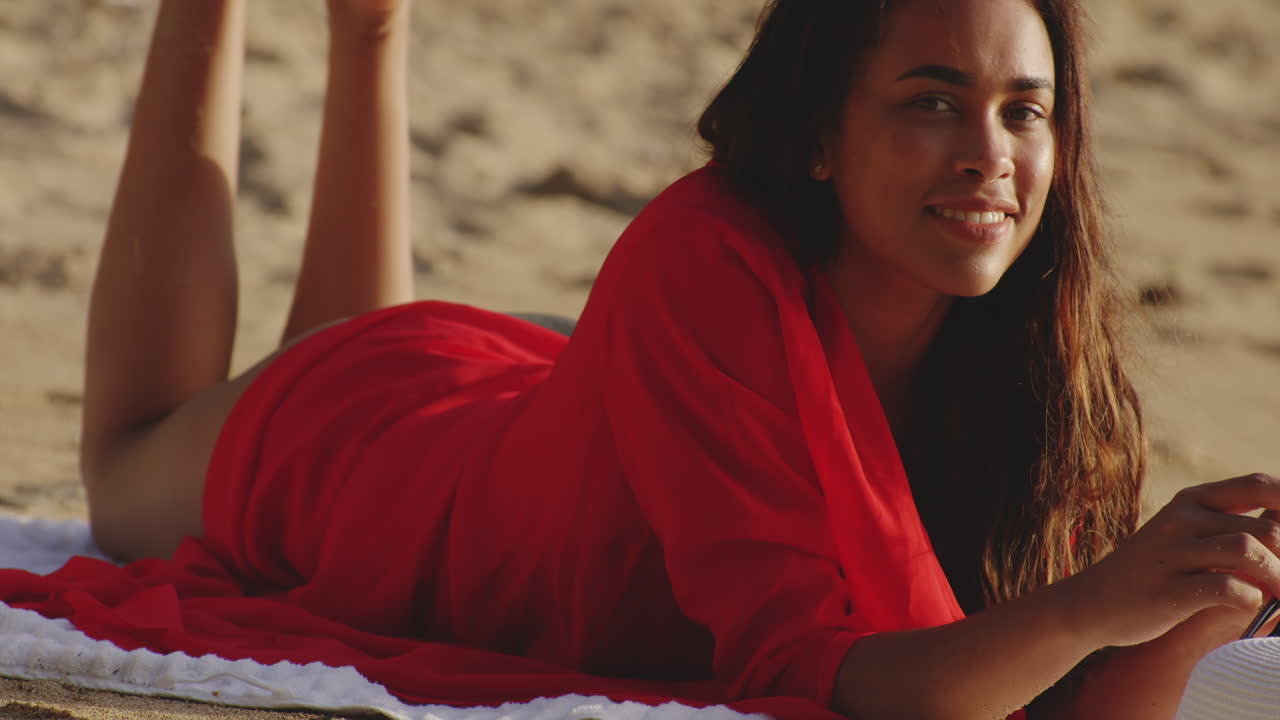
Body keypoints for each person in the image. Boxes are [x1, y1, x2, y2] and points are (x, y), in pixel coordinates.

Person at [71, 0, 1280, 718]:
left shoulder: (1021, 335)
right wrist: (1091, 605)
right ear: (818, 132)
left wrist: (1188, 611)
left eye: (1023, 109)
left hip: (555, 402)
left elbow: (1044, 699)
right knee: (126, 475)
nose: (988, 153)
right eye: (928, 100)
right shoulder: (695, 250)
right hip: (373, 460)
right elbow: (821, 676)